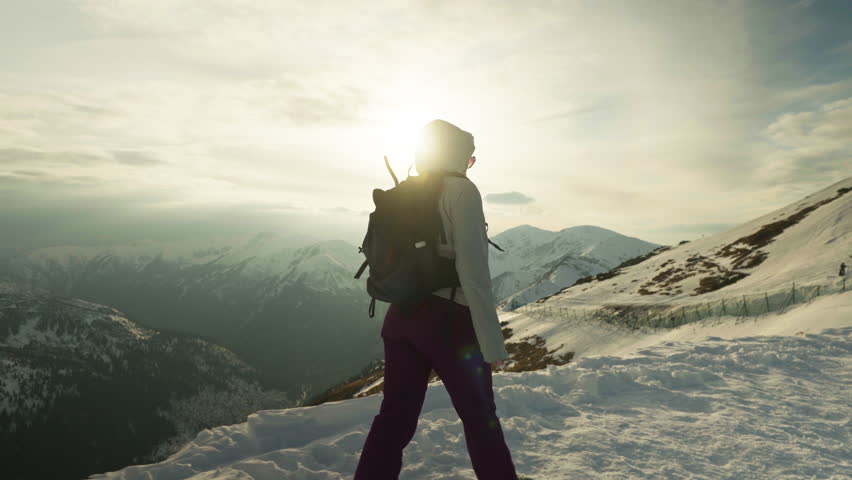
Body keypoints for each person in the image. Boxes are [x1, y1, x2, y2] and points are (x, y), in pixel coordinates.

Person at [354, 120, 517, 479]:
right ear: (458, 156)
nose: (469, 165)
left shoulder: (408, 192)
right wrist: (493, 346)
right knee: (480, 419)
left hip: (401, 317)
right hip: (449, 323)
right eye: (469, 159)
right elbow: (473, 274)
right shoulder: (462, 191)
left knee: (394, 418)